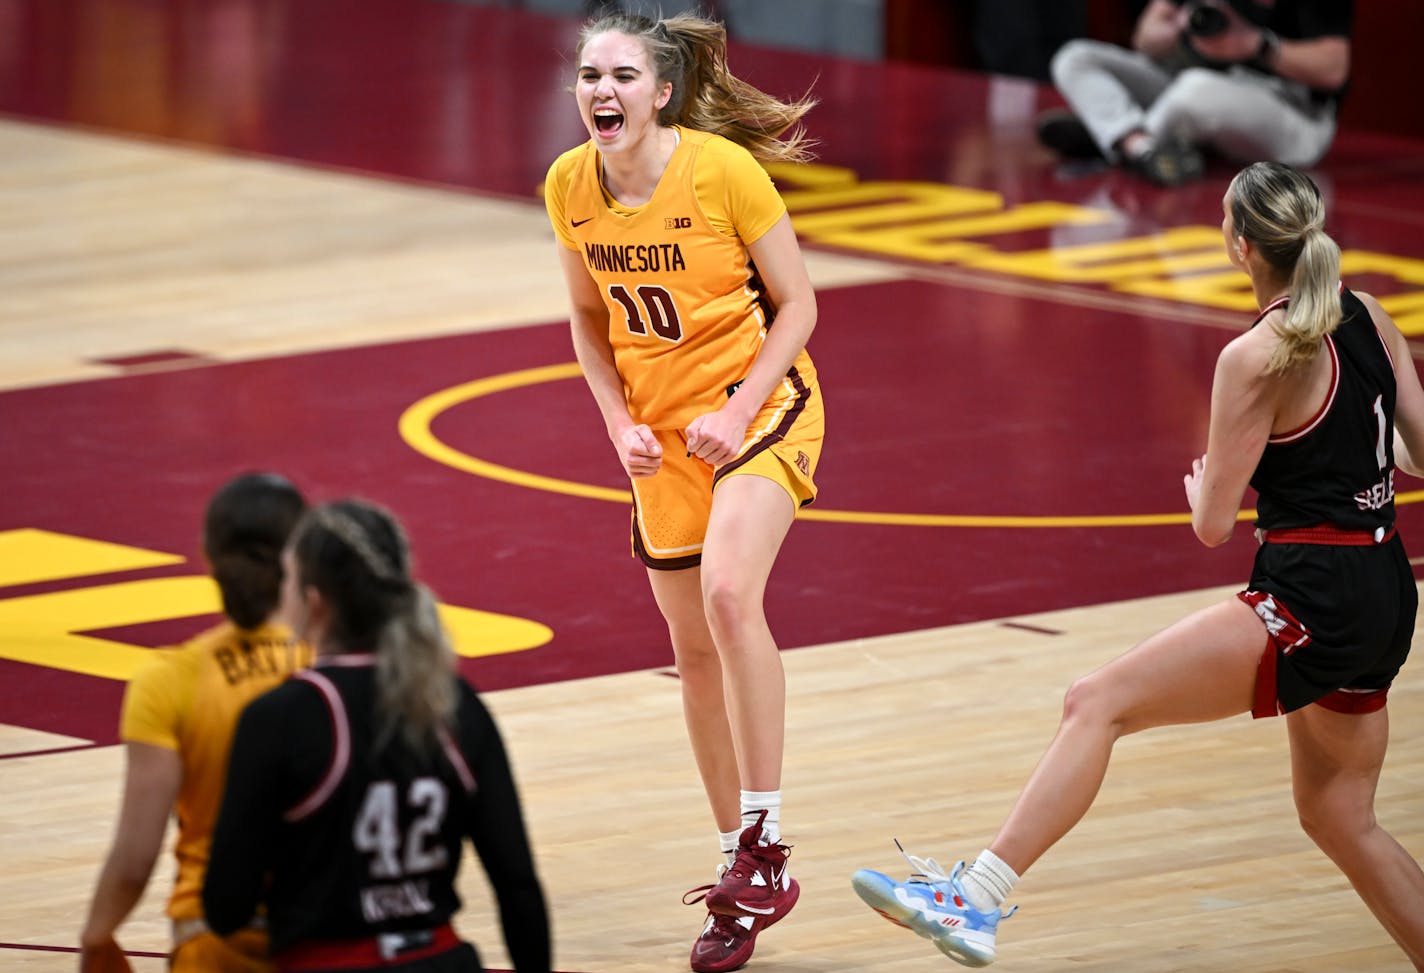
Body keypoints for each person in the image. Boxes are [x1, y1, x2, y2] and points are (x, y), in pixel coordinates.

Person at [851, 161, 1424, 969]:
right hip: (1387, 588)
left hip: (1310, 595)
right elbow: (1420, 454)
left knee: (1098, 701)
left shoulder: (1255, 355)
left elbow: (1213, 524)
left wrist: (1200, 489)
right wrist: (1370, 455)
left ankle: (973, 899)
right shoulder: (1370, 315)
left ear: (1237, 244)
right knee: (1342, 815)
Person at [543, 11, 823, 973]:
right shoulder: (569, 186)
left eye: (620, 73)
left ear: (662, 91)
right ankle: (737, 881)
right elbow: (587, 323)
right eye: (587, 75)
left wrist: (741, 411)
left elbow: (800, 305)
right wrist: (618, 422)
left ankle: (766, 840)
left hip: (762, 406)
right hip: (661, 439)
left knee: (728, 593)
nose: (600, 90)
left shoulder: (720, 172)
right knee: (692, 658)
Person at [202, 499, 550, 973]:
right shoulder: (452, 702)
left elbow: (226, 907)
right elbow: (519, 888)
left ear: (314, 601)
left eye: (287, 579)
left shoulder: (279, 717)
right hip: (443, 959)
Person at [79, 472, 312, 973]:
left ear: (208, 557)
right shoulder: (339, 668)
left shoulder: (169, 680)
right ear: (304, 556)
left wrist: (98, 936)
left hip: (216, 941)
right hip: (329, 934)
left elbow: (136, 860)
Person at [1037, 0, 1352, 185]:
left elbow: (1333, 70)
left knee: (1196, 90)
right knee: (1075, 57)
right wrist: (1177, 26)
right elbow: (1144, 39)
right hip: (1186, 83)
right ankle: (1142, 145)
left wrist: (1257, 45)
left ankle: (1120, 137)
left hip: (1291, 113)